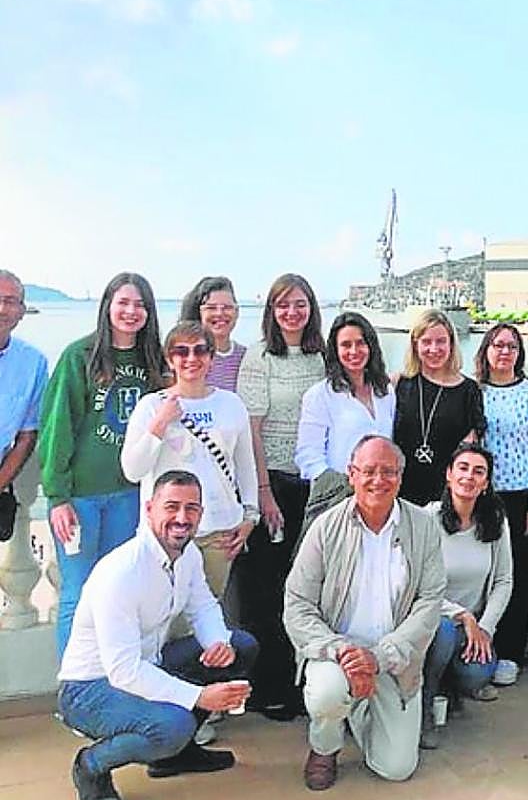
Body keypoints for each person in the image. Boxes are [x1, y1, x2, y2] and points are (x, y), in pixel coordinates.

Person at [57, 470, 258, 800]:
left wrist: (217, 643)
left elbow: (204, 607)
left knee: (240, 646)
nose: (182, 518)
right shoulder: (121, 572)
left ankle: (176, 756)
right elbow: (123, 671)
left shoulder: (188, 556)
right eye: (172, 507)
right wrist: (199, 697)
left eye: (191, 509)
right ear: (149, 509)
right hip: (91, 688)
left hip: (148, 664)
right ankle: (91, 766)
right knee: (173, 725)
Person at [284, 436, 445, 790]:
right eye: (368, 471)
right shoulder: (325, 528)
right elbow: (297, 603)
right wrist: (341, 651)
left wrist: (377, 658)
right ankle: (324, 745)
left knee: (397, 767)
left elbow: (430, 602)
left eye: (388, 471)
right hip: (335, 654)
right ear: (351, 475)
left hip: (394, 658)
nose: (378, 480)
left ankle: (356, 708)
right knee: (327, 692)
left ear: (401, 477)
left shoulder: (423, 527)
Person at [40, 272, 167, 656]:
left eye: (140, 304)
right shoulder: (80, 356)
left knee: (119, 593)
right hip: (81, 499)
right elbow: (57, 427)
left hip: (130, 496)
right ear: (107, 306)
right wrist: (57, 496)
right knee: (78, 594)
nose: (131, 311)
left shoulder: (153, 361)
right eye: (123, 302)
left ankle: (114, 680)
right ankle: (75, 688)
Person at [232, 273, 325, 720]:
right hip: (273, 484)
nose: (292, 312)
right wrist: (263, 490)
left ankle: (305, 680)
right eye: (283, 304)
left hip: (317, 487)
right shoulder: (259, 357)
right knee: (267, 589)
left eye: (300, 303)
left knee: (312, 587)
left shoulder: (322, 357)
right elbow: (251, 427)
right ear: (271, 310)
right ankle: (268, 686)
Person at [121, 322, 259, 610]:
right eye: (181, 351)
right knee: (162, 618)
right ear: (170, 359)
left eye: (200, 351)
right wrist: (159, 424)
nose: (191, 359)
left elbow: (245, 467)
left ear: (211, 357)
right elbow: (132, 470)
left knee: (207, 616)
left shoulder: (231, 404)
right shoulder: (150, 406)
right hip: (166, 534)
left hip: (219, 531)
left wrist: (250, 516)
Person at [475, 323, 528, 687]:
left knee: (518, 576)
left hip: (521, 496)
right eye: (497, 345)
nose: (504, 352)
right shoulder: (473, 392)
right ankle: (478, 650)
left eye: (511, 346)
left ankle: (510, 651)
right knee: (482, 573)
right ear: (486, 351)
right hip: (480, 496)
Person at [421, 443, 513, 748]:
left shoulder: (496, 521)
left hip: (474, 629)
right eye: (462, 468)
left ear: (486, 483)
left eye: (478, 472)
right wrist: (462, 615)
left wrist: (484, 628)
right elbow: (418, 584)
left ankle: (452, 685)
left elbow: (503, 580)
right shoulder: (427, 519)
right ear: (449, 474)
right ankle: (426, 707)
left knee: (478, 676)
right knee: (445, 632)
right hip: (435, 623)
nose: (469, 477)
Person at [296, 312, 396, 525]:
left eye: (360, 343)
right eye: (346, 345)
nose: (354, 351)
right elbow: (308, 455)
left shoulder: (385, 391)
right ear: (335, 350)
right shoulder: (320, 395)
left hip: (381, 494)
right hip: (338, 500)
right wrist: (342, 485)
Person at [391, 309, 486, 506]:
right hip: (400, 492)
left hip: (446, 496)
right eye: (426, 342)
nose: (434, 349)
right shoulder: (399, 383)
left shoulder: (469, 391)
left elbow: (469, 450)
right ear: (415, 345)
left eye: (441, 341)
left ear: (451, 343)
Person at [0, 271, 48, 545]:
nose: (2, 309)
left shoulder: (33, 364)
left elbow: (27, 436)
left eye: (10, 301)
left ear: (22, 311)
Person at [179, 276, 245, 392]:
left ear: (237, 312)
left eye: (227, 307)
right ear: (199, 312)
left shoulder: (246, 356)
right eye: (211, 307)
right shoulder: (187, 356)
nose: (220, 313)